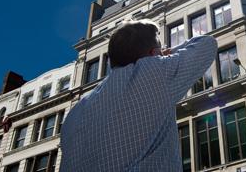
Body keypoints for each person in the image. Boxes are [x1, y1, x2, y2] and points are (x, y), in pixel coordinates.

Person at [60, 19, 218, 172]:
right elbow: (206, 43)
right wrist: (163, 56)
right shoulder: (152, 74)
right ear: (154, 53)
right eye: (161, 47)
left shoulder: (74, 113)